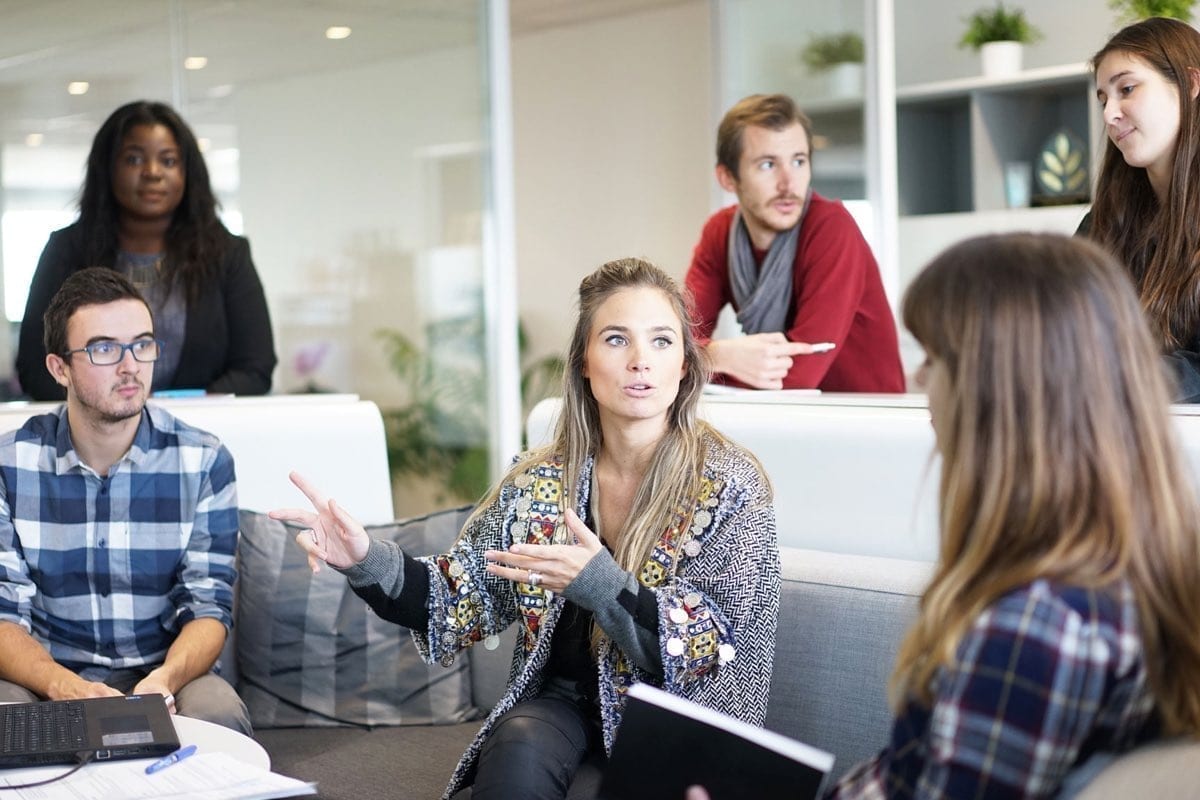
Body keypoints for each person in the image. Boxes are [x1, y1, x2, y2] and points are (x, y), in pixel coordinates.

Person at [272, 258, 781, 799]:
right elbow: (459, 594)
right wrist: (363, 558)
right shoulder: (540, 479)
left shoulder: (730, 485)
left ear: (683, 364)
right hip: (562, 703)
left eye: (661, 341)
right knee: (516, 746)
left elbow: (714, 648)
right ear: (584, 362)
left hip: (676, 717)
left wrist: (603, 585)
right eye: (615, 339)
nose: (640, 361)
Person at [821, 233, 1200, 797]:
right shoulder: (1136, 568)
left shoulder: (1034, 628)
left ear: (997, 389)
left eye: (935, 357)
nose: (920, 380)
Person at [0, 268, 249, 734]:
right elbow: (2, 614)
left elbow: (208, 605)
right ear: (59, 368)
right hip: (46, 672)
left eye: (142, 344)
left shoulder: (204, 460)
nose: (131, 365)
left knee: (218, 714)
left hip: (165, 671)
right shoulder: (9, 464)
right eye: (104, 348)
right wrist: (63, 685)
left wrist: (165, 680)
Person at [16, 100, 276, 400]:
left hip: (201, 434)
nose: (152, 173)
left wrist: (178, 414)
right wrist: (114, 410)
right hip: (93, 439)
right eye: (134, 160)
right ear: (107, 168)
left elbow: (255, 368)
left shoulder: (228, 254)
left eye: (168, 161)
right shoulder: (66, 251)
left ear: (188, 173)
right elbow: (36, 370)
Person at [684, 93, 905, 392]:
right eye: (767, 165)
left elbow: (798, 377)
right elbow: (673, 341)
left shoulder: (831, 228)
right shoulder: (719, 232)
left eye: (799, 161)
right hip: (783, 418)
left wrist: (700, 361)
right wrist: (718, 355)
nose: (789, 183)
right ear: (727, 178)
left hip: (864, 421)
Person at [1081, 17, 1200, 401]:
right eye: (1102, 99)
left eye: (1126, 89)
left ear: (1191, 84)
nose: (1109, 114)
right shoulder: (1102, 222)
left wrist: (1113, 385)